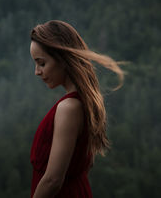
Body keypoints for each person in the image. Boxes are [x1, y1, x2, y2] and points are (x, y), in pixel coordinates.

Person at [29, 20, 124, 198]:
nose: (37, 71)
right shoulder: (81, 103)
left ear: (62, 60)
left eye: (41, 63)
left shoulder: (69, 108)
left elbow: (52, 180)